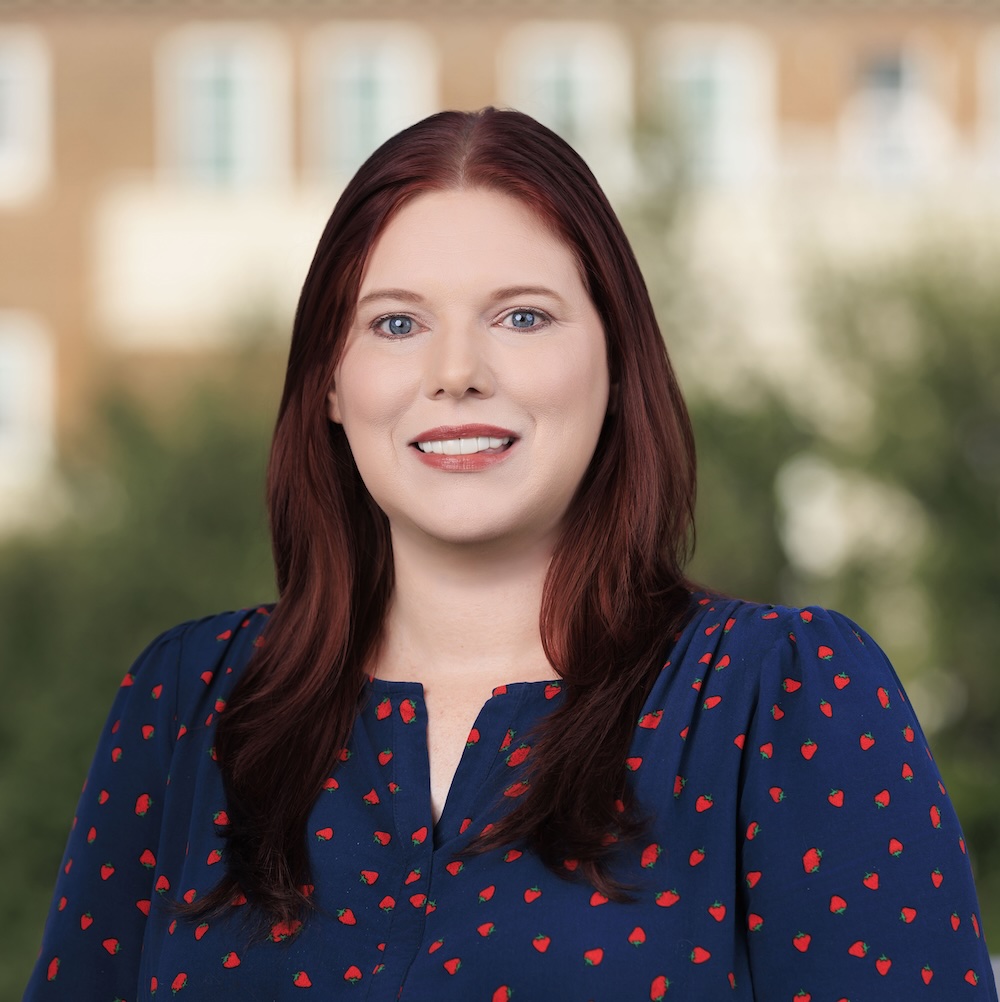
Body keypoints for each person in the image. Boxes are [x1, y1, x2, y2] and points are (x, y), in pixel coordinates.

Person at [25, 108, 996, 1001]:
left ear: (616, 362)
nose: (456, 374)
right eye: (396, 323)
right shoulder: (187, 706)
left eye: (521, 316)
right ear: (329, 382)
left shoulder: (785, 699)